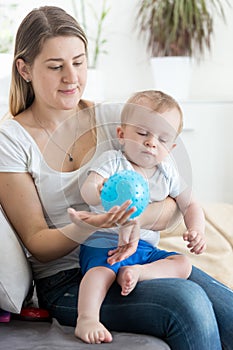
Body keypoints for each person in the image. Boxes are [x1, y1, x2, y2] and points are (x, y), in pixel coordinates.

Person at [0, 5, 232, 350]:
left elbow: (170, 205)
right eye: (55, 66)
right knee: (188, 305)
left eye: (79, 62)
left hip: (138, 256)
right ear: (24, 69)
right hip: (70, 279)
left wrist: (126, 216)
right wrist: (92, 224)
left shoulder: (114, 120)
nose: (72, 78)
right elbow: (38, 243)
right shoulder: (12, 140)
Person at [77, 90, 201, 343]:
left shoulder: (167, 172)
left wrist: (196, 230)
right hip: (105, 244)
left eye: (163, 139)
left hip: (143, 249)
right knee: (99, 274)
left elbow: (190, 205)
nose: (151, 142)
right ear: (121, 135)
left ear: (172, 148)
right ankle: (87, 318)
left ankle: (138, 272)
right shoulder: (113, 162)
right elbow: (88, 190)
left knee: (183, 264)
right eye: (143, 133)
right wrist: (98, 190)